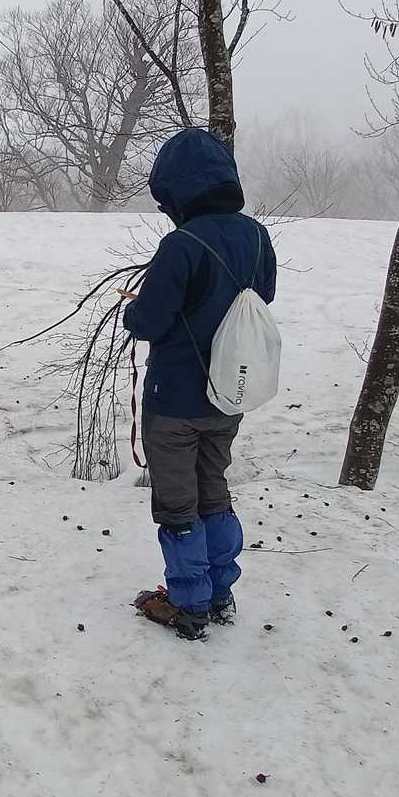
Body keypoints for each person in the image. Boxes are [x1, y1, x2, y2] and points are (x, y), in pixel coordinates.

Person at [120, 129, 277, 641]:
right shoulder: (257, 237)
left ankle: (188, 606)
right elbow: (260, 300)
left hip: (175, 401)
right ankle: (219, 594)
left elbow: (150, 321)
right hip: (229, 395)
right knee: (214, 492)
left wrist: (133, 310)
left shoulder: (181, 244)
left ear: (179, 190)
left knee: (178, 505)